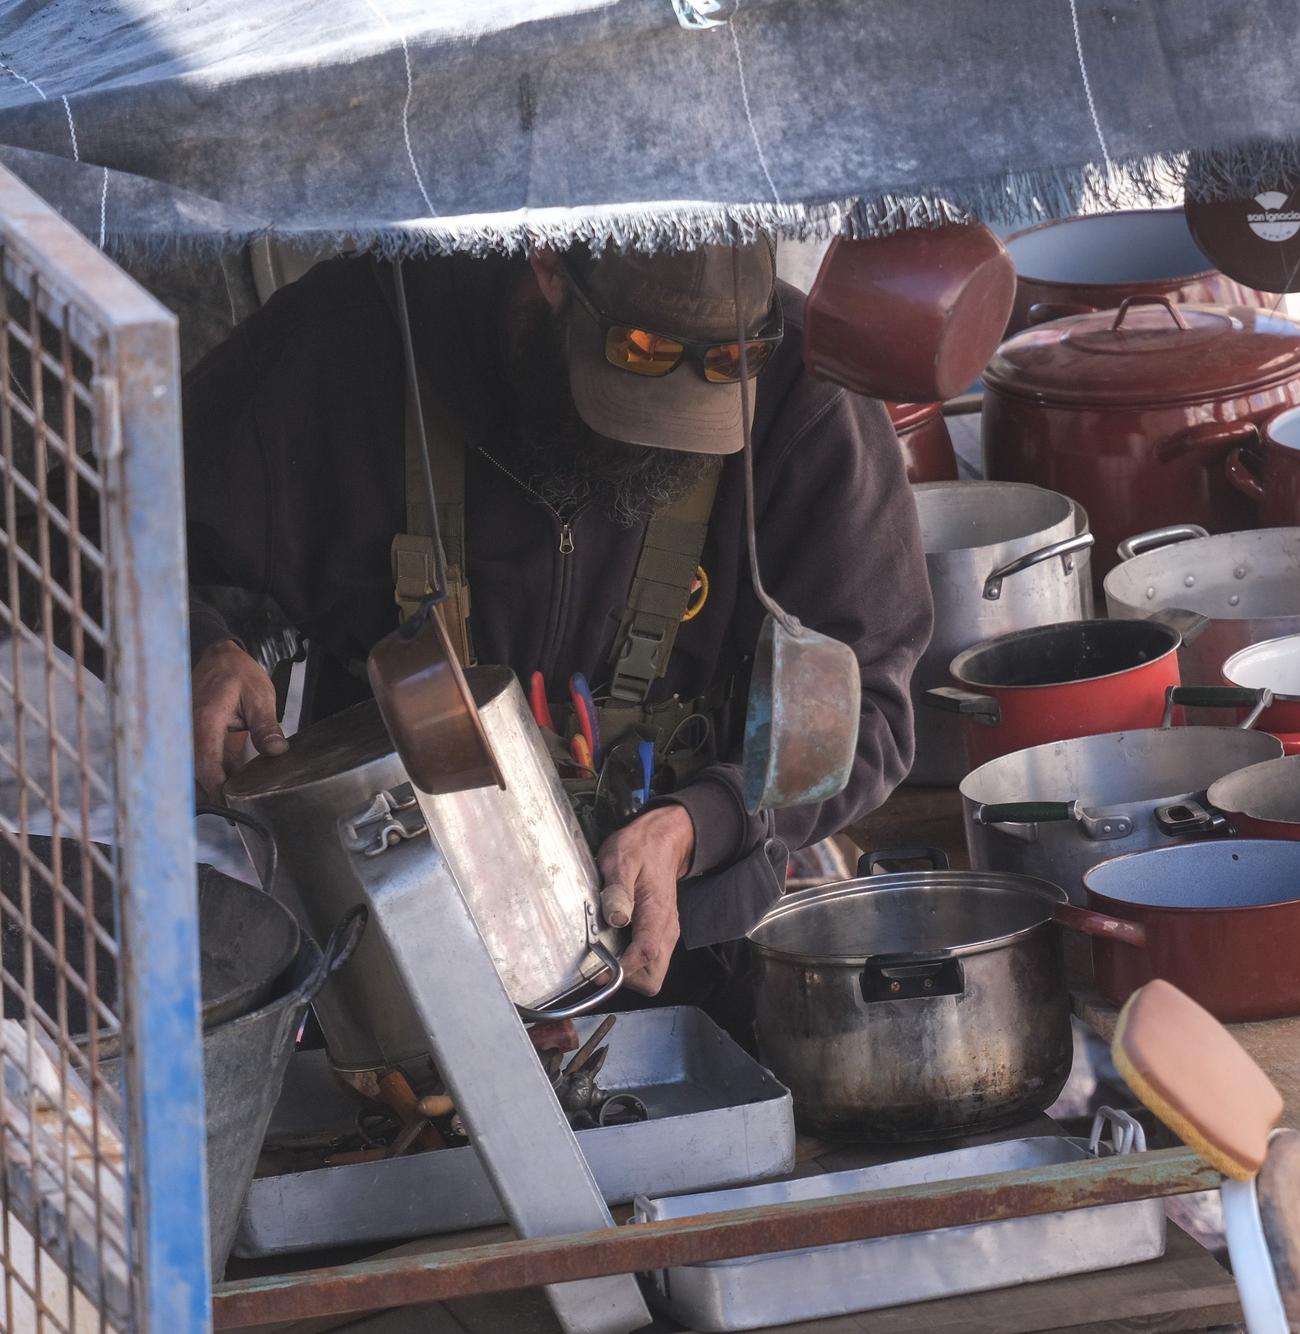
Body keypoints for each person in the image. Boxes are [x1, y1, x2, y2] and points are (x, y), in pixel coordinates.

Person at [182, 240, 930, 1025]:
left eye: (712, 377)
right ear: (547, 270)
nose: (653, 440)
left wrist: (703, 821)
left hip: (684, 965)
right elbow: (87, 526)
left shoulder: (799, 390)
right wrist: (199, 643)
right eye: (637, 358)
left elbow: (866, 706)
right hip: (398, 951)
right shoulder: (353, 339)